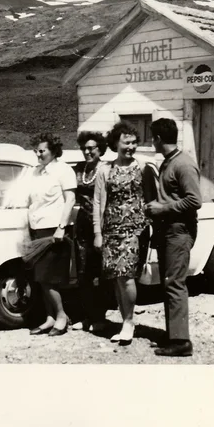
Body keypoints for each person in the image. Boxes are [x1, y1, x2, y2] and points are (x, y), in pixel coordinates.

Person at [146, 118, 202, 357]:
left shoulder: (183, 164)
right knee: (169, 282)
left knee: (175, 284)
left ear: (158, 139)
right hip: (167, 231)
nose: (152, 142)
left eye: (153, 138)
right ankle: (173, 335)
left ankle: (181, 342)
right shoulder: (168, 163)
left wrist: (162, 209)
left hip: (179, 231)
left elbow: (195, 201)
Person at [93, 121, 153, 346]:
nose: (131, 146)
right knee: (117, 278)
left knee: (127, 276)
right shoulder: (105, 169)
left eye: (134, 142)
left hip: (135, 230)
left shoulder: (144, 167)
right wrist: (98, 233)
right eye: (126, 142)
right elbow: (99, 201)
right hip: (111, 230)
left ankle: (129, 321)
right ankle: (124, 321)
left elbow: (150, 198)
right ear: (115, 144)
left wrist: (150, 226)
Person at [25, 133, 77, 336]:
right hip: (38, 229)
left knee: (48, 278)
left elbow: (70, 200)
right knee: (40, 278)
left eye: (42, 150)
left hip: (55, 230)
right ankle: (50, 318)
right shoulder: (36, 172)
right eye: (36, 150)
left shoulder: (63, 170)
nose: (38, 154)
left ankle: (62, 317)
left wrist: (61, 227)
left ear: (53, 150)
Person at [72, 131, 108, 333]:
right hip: (82, 226)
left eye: (91, 148)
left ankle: (99, 318)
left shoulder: (107, 169)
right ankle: (86, 316)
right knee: (83, 273)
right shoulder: (78, 169)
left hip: (101, 226)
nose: (87, 152)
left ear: (100, 149)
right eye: (84, 148)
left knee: (100, 274)